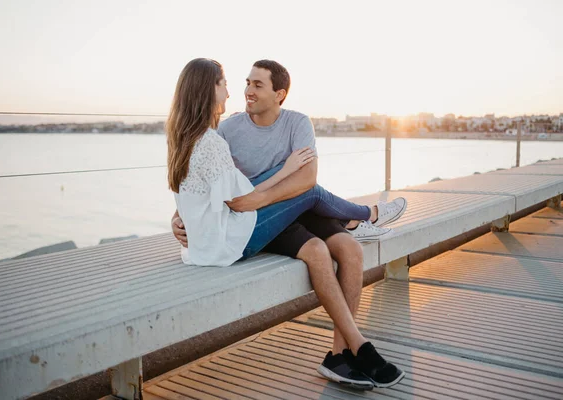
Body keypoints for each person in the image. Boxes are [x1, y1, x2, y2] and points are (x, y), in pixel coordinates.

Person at [169, 58, 406, 389]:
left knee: (349, 249)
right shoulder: (223, 132)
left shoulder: (296, 123)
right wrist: (180, 218)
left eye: (257, 85)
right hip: (250, 221)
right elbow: (223, 192)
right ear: (208, 90)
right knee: (315, 228)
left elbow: (299, 177)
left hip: (258, 212)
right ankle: (364, 216)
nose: (245, 90)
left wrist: (248, 200)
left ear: (279, 94)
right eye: (243, 83)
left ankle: (340, 356)